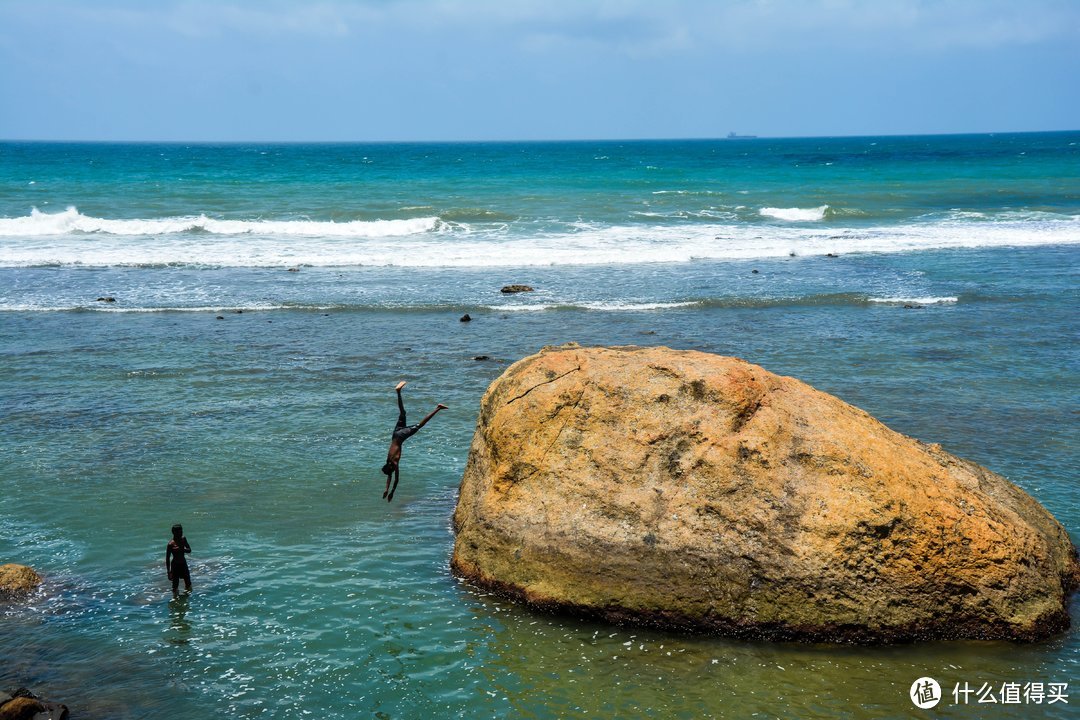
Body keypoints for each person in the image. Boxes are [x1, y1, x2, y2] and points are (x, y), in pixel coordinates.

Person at [382, 381, 446, 502]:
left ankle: (438, 408)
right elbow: (390, 477)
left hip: (401, 436)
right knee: (403, 413)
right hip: (395, 433)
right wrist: (386, 489)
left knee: (419, 425)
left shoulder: (394, 464)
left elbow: (395, 480)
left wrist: (392, 492)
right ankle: (398, 392)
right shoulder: (388, 460)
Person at [166, 524, 192, 597]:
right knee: (175, 585)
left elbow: (189, 550)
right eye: (179, 532)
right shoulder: (170, 544)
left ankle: (187, 598)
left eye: (181, 531)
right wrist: (168, 572)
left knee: (188, 583)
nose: (181, 533)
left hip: (183, 564)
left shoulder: (183, 539)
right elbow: (167, 559)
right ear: (174, 532)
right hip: (175, 566)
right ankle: (175, 599)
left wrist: (183, 549)